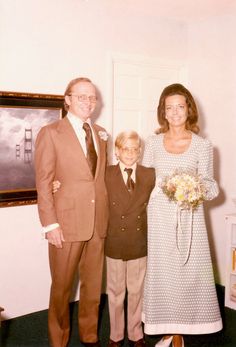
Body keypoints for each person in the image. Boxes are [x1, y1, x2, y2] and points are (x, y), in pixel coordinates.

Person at [141, 83, 223, 347]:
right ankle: (168, 331)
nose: (175, 112)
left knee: (188, 273)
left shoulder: (202, 145)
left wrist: (194, 187)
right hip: (160, 220)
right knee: (164, 274)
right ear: (162, 113)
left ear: (189, 109)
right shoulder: (152, 143)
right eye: (169, 108)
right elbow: (144, 183)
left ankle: (182, 329)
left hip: (191, 220)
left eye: (180, 106)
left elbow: (212, 188)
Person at [34, 77, 109, 347]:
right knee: (62, 289)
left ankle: (90, 337)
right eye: (81, 96)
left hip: (97, 223)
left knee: (92, 289)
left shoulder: (101, 133)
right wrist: (50, 224)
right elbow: (43, 183)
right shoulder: (51, 132)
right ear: (67, 99)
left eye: (92, 97)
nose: (88, 102)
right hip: (65, 224)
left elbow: (97, 180)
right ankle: (59, 341)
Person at [105, 131, 155, 347]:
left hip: (138, 241)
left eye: (135, 149)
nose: (130, 153)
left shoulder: (149, 174)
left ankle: (136, 333)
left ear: (140, 151)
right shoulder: (106, 174)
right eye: (125, 148)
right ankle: (116, 335)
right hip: (115, 240)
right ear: (117, 151)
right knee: (115, 292)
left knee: (136, 291)